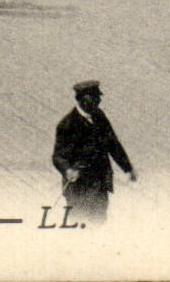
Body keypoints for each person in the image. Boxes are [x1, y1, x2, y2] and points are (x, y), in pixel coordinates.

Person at [51, 80, 137, 225]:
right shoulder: (67, 125)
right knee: (79, 223)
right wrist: (68, 170)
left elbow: (112, 143)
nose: (99, 101)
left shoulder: (99, 116)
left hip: (100, 183)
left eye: (98, 97)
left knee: (99, 221)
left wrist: (127, 168)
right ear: (82, 99)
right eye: (94, 97)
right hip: (79, 188)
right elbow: (58, 156)